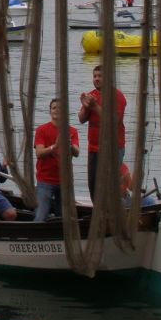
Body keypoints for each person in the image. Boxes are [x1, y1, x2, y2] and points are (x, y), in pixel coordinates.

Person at [78, 64, 127, 199]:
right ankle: (98, 214)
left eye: (100, 76)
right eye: (95, 76)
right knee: (93, 184)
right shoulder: (92, 95)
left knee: (108, 185)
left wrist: (95, 106)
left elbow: (113, 121)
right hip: (93, 148)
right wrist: (85, 106)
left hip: (112, 148)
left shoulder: (117, 96)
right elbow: (81, 119)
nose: (97, 79)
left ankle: (116, 210)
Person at [33, 99, 80, 222]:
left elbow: (77, 152)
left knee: (64, 219)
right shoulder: (42, 130)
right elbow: (39, 153)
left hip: (65, 182)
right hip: (45, 181)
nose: (56, 110)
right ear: (50, 111)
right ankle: (36, 236)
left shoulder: (72, 131)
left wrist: (69, 145)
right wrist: (55, 146)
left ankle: (62, 240)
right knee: (41, 216)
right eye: (54, 108)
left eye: (60, 108)